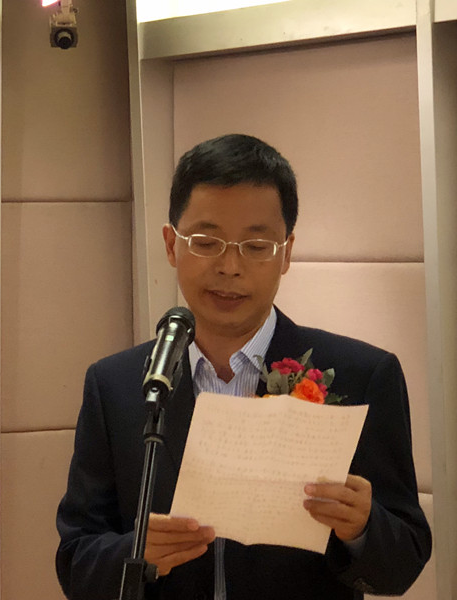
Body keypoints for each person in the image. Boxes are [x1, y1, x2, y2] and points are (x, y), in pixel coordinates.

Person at [55, 134, 431, 600]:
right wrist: (135, 554)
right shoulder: (117, 385)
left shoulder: (361, 375)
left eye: (256, 246)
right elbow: (76, 559)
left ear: (286, 252)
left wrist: (361, 527)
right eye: (206, 242)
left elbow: (404, 563)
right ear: (171, 245)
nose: (230, 266)